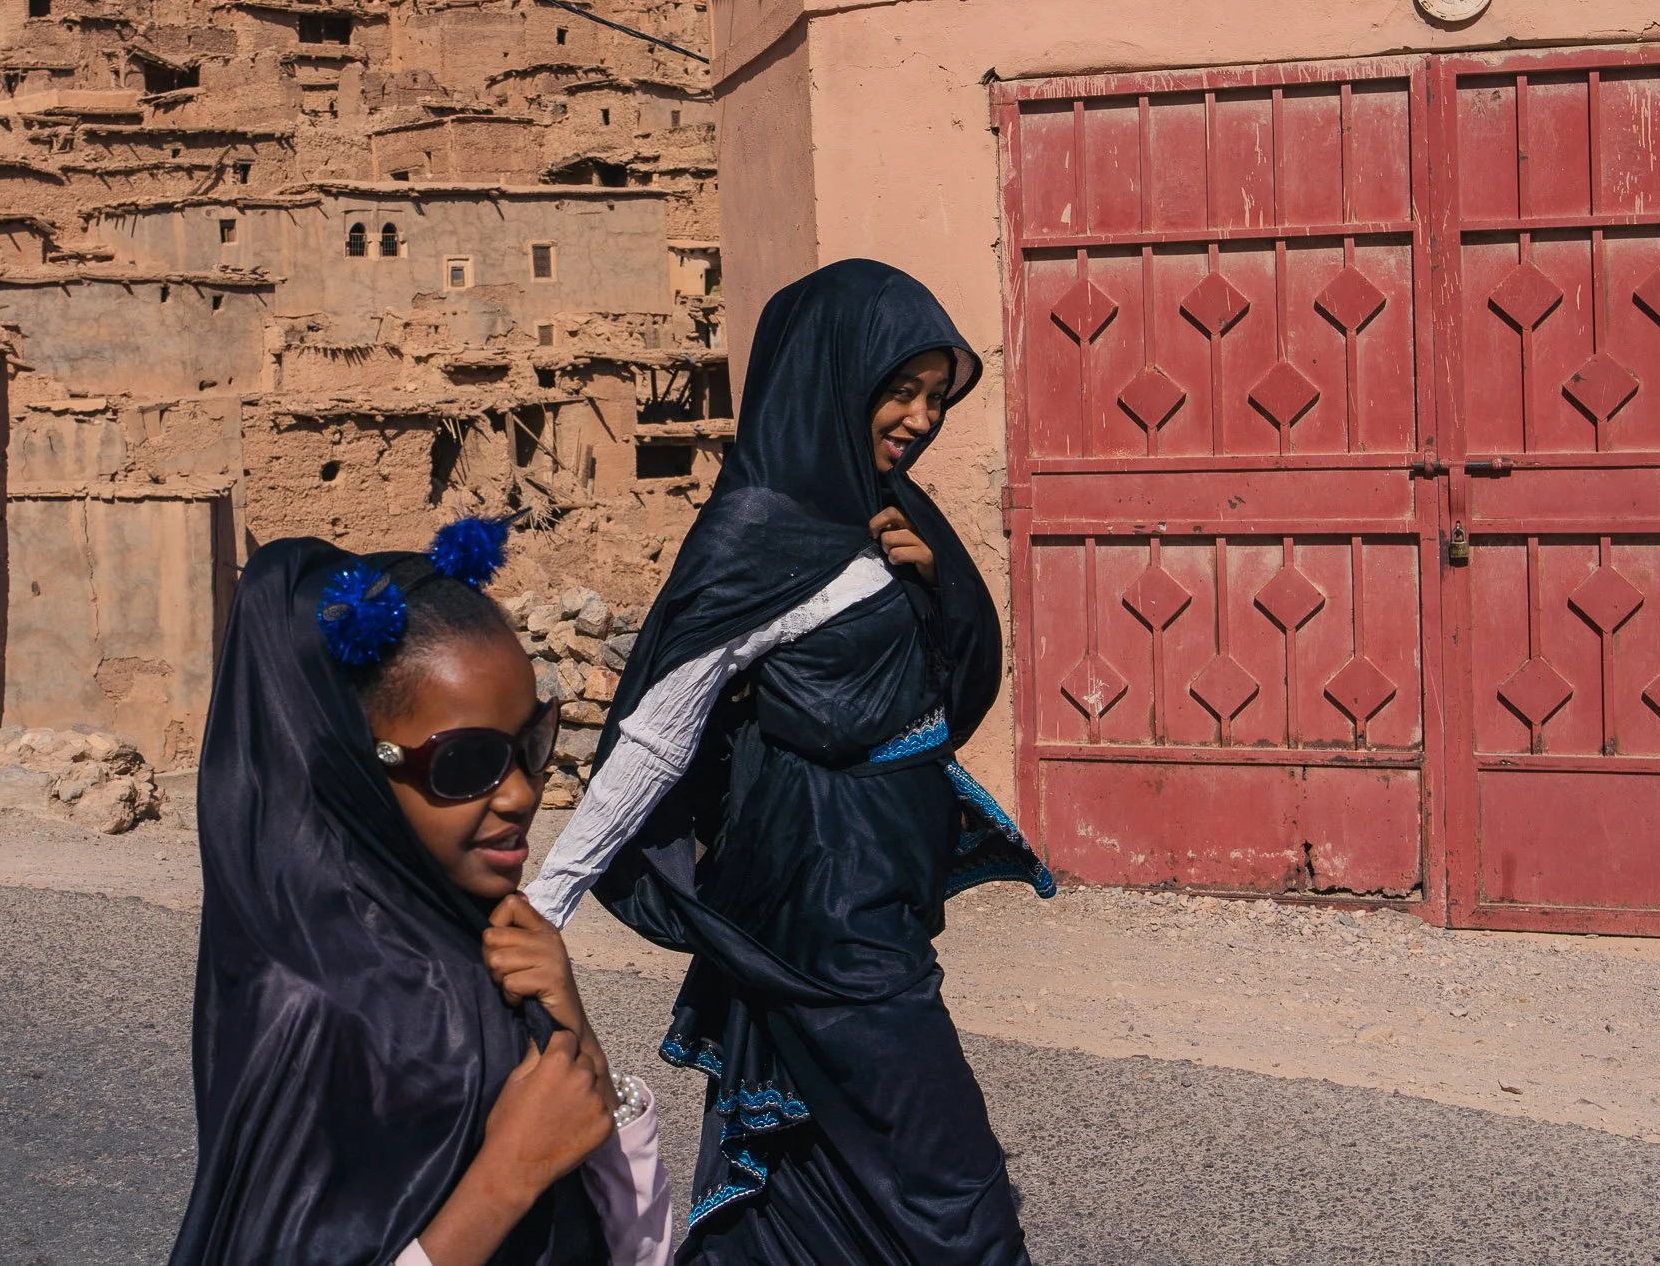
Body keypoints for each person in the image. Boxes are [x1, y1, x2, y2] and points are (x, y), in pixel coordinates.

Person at [527, 260, 1054, 1266]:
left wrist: (936, 585)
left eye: (937, 396)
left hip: (881, 893)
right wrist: (541, 900)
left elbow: (943, 686)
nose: (918, 416)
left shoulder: (892, 513)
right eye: (899, 387)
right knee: (959, 1197)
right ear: (831, 373)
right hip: (826, 908)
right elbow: (657, 728)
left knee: (809, 1183)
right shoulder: (756, 529)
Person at [170, 519, 673, 1266]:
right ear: (358, 769)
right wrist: (505, 1179)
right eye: (466, 761)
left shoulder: (489, 950)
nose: (519, 793)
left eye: (533, 745)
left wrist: (574, 1030)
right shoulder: (312, 1010)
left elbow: (632, 1248)